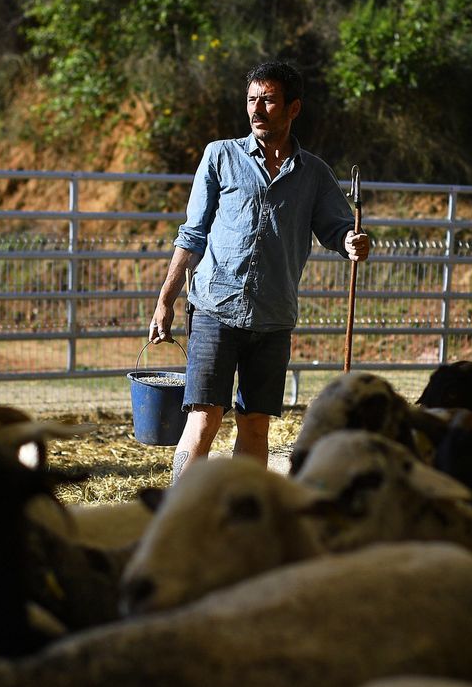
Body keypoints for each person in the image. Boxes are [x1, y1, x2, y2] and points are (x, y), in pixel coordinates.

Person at [149, 61, 371, 481]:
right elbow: (192, 234)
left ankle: (244, 518)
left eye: (268, 100)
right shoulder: (220, 156)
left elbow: (338, 229)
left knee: (255, 425)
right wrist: (165, 300)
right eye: (252, 99)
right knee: (204, 419)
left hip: (272, 318)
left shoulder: (314, 174)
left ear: (293, 108)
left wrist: (352, 242)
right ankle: (179, 510)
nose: (257, 109)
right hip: (215, 307)